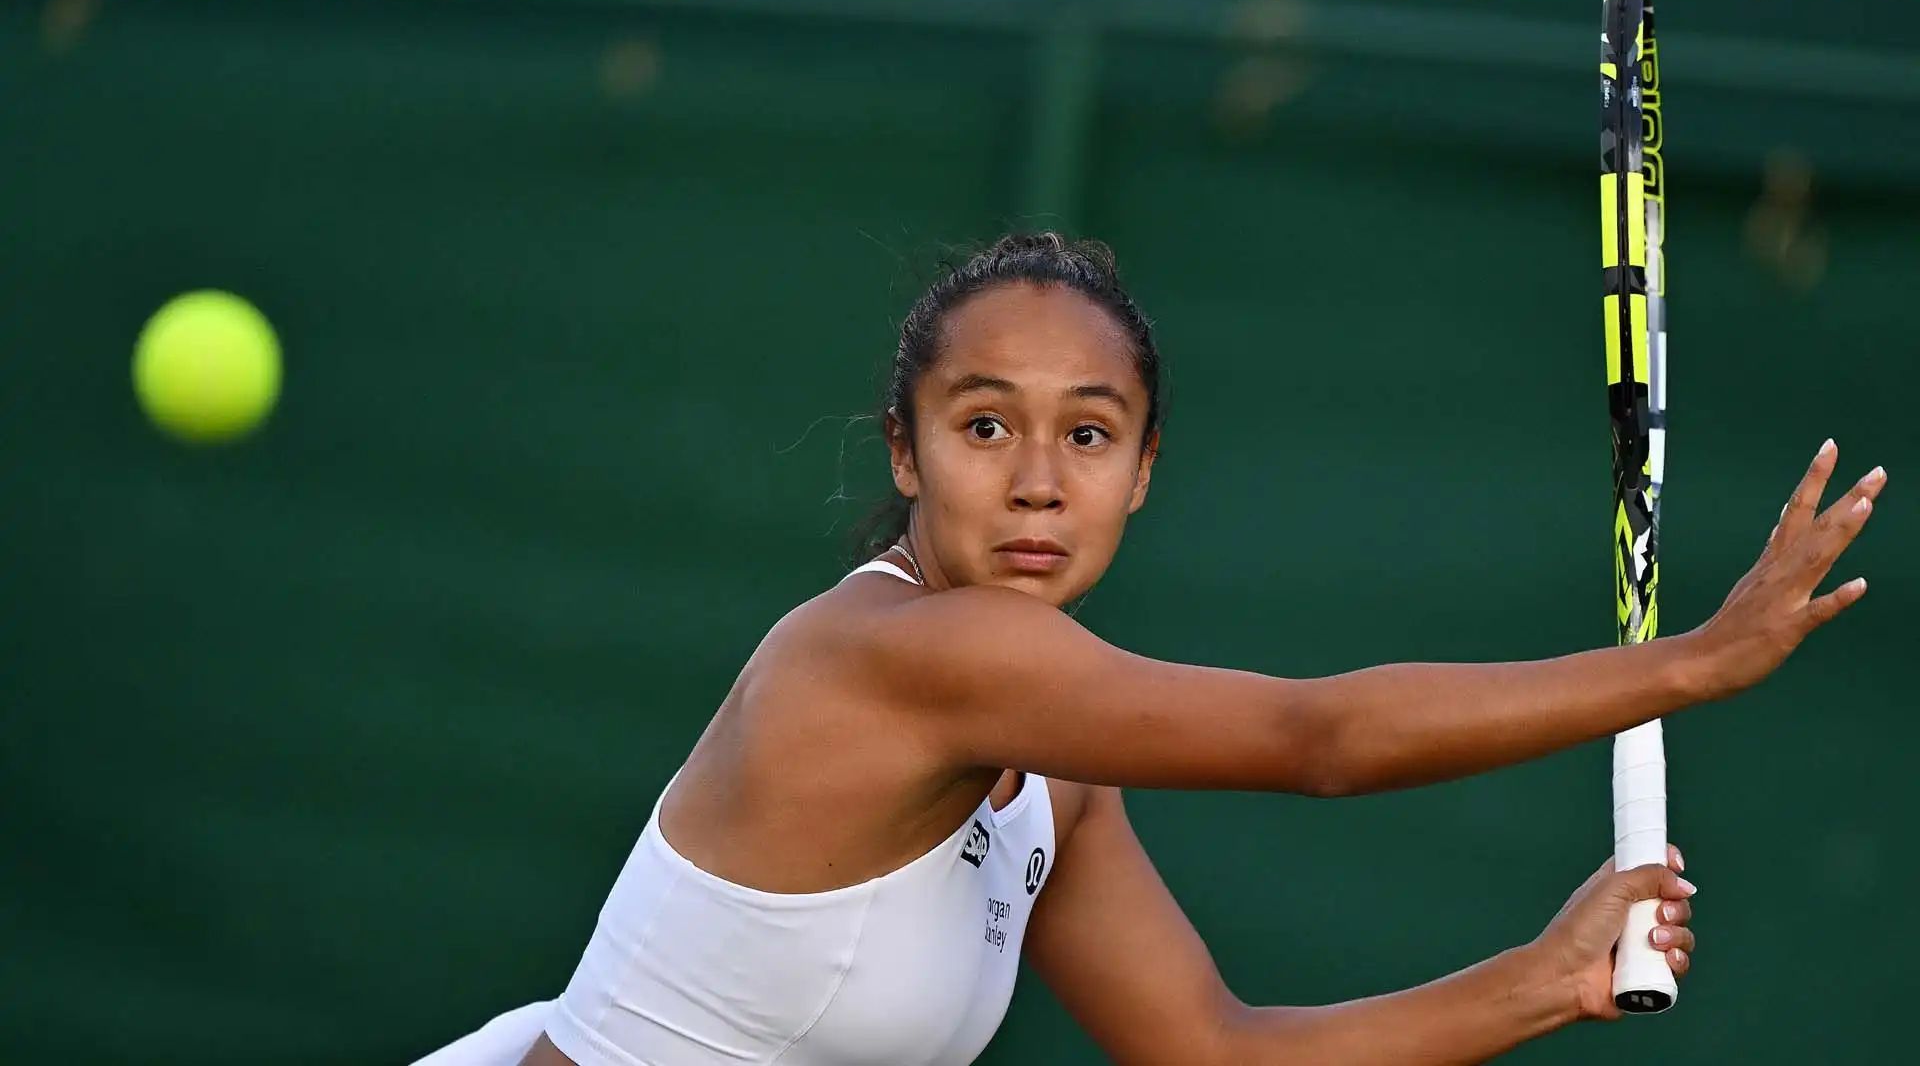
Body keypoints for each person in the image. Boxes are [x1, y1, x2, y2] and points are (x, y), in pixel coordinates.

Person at [410, 233, 1883, 1066]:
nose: (1040, 479)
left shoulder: (1057, 776)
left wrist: (1538, 978)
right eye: (985, 427)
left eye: (1088, 435)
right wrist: (1692, 662)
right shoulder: (901, 658)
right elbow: (1316, 743)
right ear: (906, 456)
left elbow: (1216, 1058)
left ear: (1145, 469)